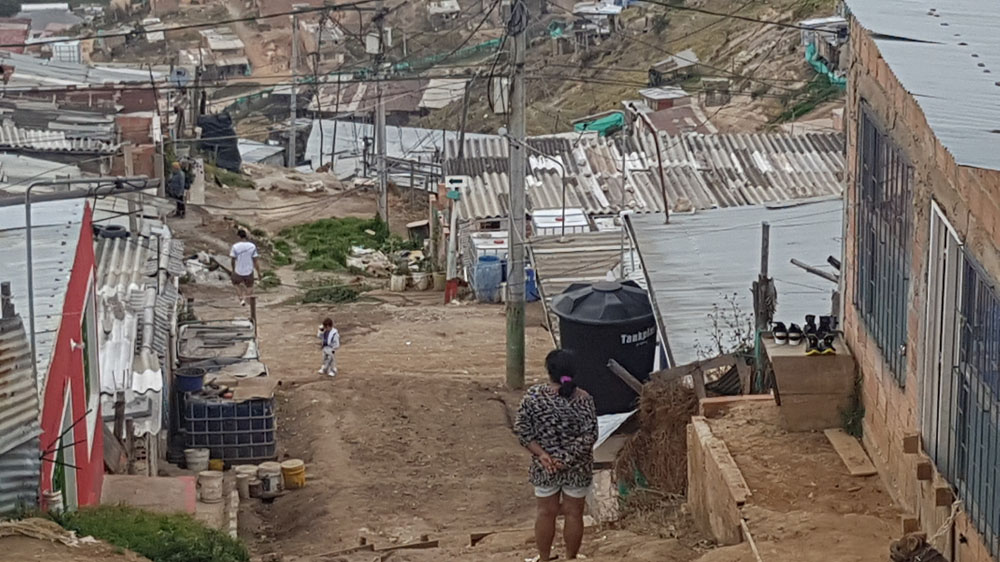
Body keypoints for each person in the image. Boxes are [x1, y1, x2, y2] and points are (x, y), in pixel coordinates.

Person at [514, 349, 598, 562]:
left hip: (545, 467)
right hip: (577, 468)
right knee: (574, 513)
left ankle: (543, 557)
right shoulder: (584, 399)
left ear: (548, 371)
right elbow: (590, 435)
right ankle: (571, 557)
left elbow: (523, 431)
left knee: (545, 512)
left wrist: (544, 456)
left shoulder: (533, 397)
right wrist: (566, 459)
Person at [229, 229, 260, 306]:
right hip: (249, 270)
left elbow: (232, 260)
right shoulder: (252, 246)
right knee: (249, 286)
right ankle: (246, 299)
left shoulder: (235, 247)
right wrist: (259, 272)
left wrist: (233, 270)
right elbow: (255, 261)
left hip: (238, 270)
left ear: (238, 236)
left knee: (236, 284)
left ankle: (241, 299)